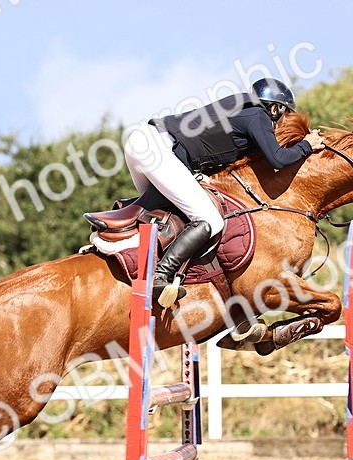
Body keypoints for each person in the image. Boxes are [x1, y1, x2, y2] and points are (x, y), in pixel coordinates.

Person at [123, 77, 324, 307]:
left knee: (161, 213)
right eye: (286, 115)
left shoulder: (240, 110)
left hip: (143, 142)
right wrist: (307, 145)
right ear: (275, 109)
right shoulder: (258, 115)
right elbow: (278, 159)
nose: (283, 124)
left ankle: (114, 245)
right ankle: (160, 276)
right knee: (210, 220)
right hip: (158, 148)